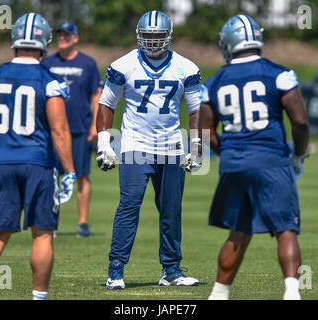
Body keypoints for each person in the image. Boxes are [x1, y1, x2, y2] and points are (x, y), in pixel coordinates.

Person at [199, 15, 309, 300]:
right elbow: (299, 121)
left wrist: (231, 154)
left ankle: (219, 294)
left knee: (238, 231)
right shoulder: (279, 74)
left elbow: (205, 132)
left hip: (234, 163)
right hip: (271, 159)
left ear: (230, 43)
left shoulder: (213, 83)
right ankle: (292, 292)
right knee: (285, 228)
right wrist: (298, 154)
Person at [0, 13, 75, 300]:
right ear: (44, 42)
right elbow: (60, 129)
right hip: (38, 163)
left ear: (14, 40)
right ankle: (38, 297)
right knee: (42, 233)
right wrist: (70, 171)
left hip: (3, 163)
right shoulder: (49, 80)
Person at [96, 10, 200, 290]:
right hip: (135, 144)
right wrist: (104, 143)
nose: (153, 42)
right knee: (129, 206)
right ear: (139, 36)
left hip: (171, 145)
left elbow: (195, 110)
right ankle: (116, 270)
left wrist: (197, 146)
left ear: (169, 36)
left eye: (158, 36)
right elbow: (106, 104)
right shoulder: (123, 64)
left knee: (171, 210)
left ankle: (171, 270)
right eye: (149, 36)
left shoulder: (186, 68)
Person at [42, 22, 103, 237]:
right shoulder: (48, 63)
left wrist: (95, 125)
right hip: (52, 131)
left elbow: (96, 94)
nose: (62, 38)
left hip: (79, 129)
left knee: (81, 176)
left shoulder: (87, 63)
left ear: (75, 37)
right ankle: (51, 221)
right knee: (52, 176)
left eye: (67, 35)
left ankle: (83, 223)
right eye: (59, 34)